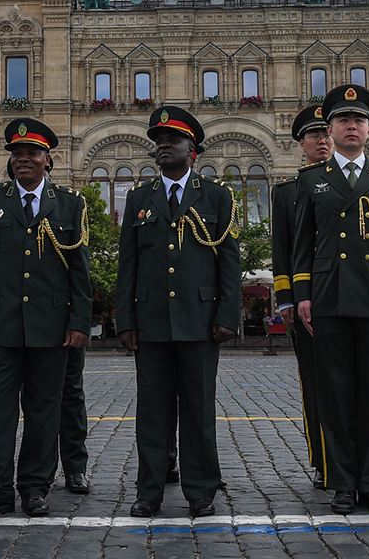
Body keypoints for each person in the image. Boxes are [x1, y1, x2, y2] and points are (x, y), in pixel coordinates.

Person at [0, 119, 92, 517]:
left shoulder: (70, 203)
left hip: (52, 328)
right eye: (16, 154)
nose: (23, 160)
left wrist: (80, 322)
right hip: (0, 327)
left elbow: (79, 272)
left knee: (43, 412)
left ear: (48, 159)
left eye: (32, 153)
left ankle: (35, 487)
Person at [291, 84, 369, 515]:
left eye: (359, 120)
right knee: (336, 394)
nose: (351, 126)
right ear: (331, 128)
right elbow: (302, 246)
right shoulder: (311, 180)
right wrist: (302, 295)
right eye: (343, 120)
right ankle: (343, 482)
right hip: (329, 295)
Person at [116, 106, 240, 518]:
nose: (163, 146)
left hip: (200, 321)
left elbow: (229, 261)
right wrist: (126, 321)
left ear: (194, 150)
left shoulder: (217, 195)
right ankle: (148, 490)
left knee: (199, 410)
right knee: (152, 410)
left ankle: (201, 489)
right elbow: (128, 264)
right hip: (150, 321)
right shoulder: (139, 197)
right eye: (159, 141)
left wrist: (227, 315)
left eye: (172, 140)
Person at [270, 102, 331, 489]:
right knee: (314, 382)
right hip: (307, 301)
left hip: (347, 296)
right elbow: (282, 249)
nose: (322, 140)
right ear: (301, 145)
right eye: (314, 135)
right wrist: (286, 298)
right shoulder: (287, 192)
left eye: (326, 133)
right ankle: (323, 458)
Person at [58, 344, 91, 494]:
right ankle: (38, 474)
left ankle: (75, 468)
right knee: (38, 398)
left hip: (67, 327)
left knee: (72, 393)